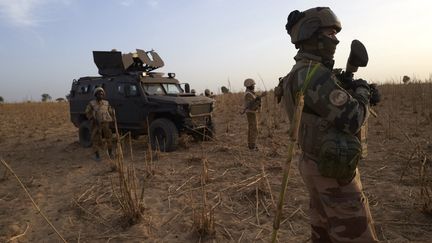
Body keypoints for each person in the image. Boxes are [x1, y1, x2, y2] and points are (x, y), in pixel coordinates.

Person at [279, 7, 381, 242]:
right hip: (332, 170)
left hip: (315, 162)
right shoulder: (314, 75)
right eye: (330, 33)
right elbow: (353, 118)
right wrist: (363, 92)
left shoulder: (300, 72)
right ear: (312, 35)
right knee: (355, 233)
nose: (335, 39)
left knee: (323, 230)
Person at [85, 87, 114, 161]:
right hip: (96, 124)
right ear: (95, 95)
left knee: (109, 138)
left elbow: (110, 111)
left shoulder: (106, 103)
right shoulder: (92, 103)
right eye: (99, 94)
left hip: (106, 123)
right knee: (95, 139)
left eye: (102, 94)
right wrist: (92, 118)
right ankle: (97, 156)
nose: (100, 95)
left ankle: (110, 153)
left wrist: (112, 117)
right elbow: (87, 112)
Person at [243, 78, 264, 151]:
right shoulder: (248, 94)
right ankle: (252, 146)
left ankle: (251, 145)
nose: (254, 86)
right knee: (253, 129)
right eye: (253, 85)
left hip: (251, 112)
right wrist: (259, 98)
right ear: (249, 85)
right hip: (251, 113)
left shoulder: (250, 93)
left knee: (252, 128)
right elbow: (251, 105)